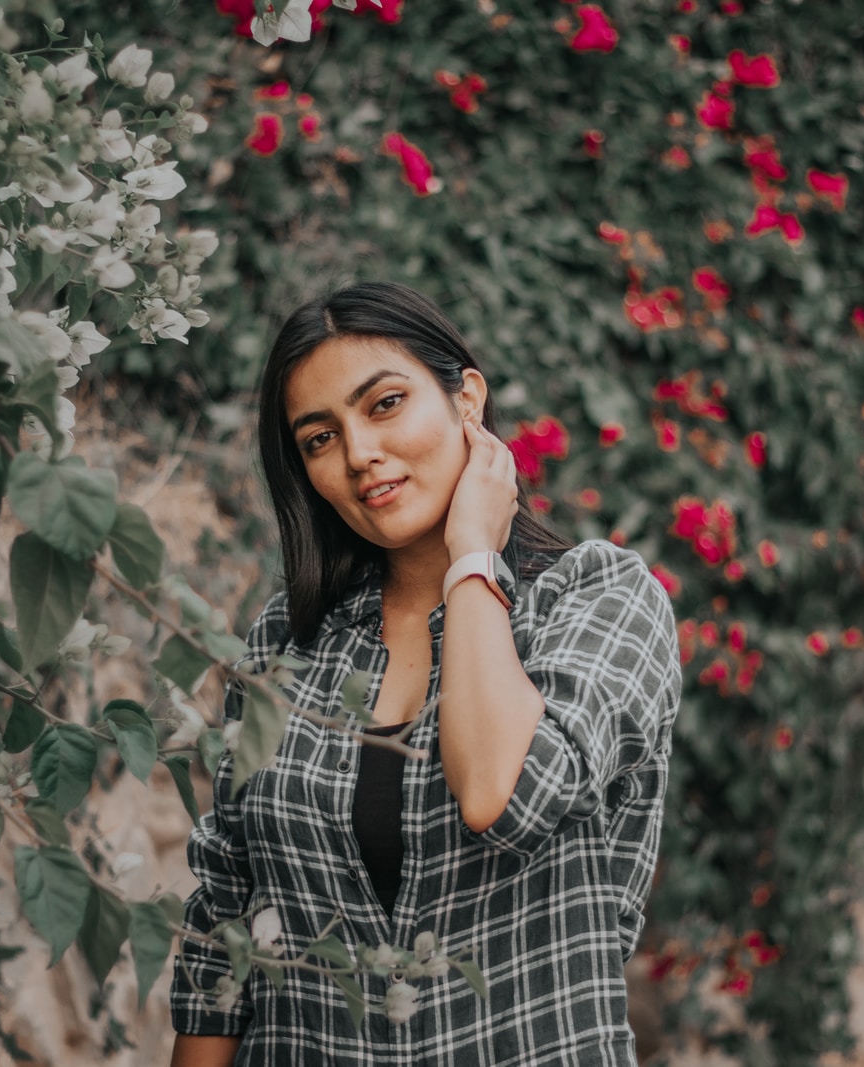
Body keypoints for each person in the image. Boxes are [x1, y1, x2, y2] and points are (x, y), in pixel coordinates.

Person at [169, 282, 681, 1066]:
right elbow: (223, 927)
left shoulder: (599, 600)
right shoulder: (288, 641)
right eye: (319, 438)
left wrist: (473, 555)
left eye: (384, 404)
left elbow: (499, 796)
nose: (358, 453)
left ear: (465, 397)